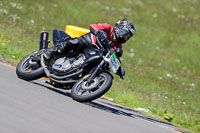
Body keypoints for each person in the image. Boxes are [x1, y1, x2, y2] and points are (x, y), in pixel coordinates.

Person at [34, 19, 136, 78]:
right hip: (88, 42)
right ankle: (49, 52)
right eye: (125, 33)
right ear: (119, 28)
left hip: (94, 53)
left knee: (104, 66)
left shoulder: (118, 45)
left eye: (128, 36)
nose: (125, 37)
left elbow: (114, 58)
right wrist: (98, 32)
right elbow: (93, 26)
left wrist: (119, 69)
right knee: (76, 41)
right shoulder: (108, 27)